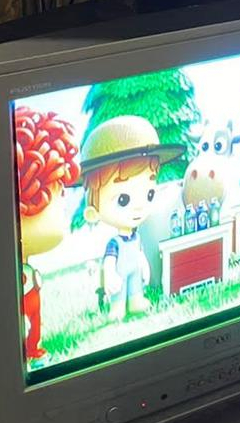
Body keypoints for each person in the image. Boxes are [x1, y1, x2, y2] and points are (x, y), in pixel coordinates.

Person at [80, 115, 184, 321]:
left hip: (134, 270)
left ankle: (136, 301)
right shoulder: (114, 243)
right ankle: (117, 307)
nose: (138, 206)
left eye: (149, 194)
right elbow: (110, 262)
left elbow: (139, 252)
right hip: (119, 275)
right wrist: (110, 276)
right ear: (93, 212)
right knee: (120, 293)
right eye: (123, 199)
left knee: (135, 286)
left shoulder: (136, 237)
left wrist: (144, 265)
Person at [14, 106, 80, 362]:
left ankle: (34, 348)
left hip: (32, 299)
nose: (63, 198)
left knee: (34, 321)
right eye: (58, 189)